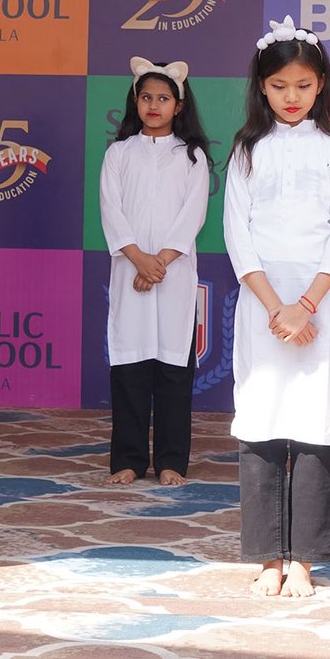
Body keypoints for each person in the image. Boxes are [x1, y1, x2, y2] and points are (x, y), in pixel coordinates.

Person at [223, 15, 330, 599]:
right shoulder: (247, 150)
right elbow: (237, 235)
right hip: (262, 306)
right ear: (262, 87)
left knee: (315, 426)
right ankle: (267, 558)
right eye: (279, 86)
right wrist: (277, 307)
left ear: (321, 84)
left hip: (319, 305)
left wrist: (306, 305)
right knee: (262, 422)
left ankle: (305, 559)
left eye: (303, 85)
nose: (292, 96)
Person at [99, 57, 211, 487]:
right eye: (146, 97)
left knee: (172, 370)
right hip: (130, 273)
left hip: (173, 276)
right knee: (129, 367)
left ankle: (171, 461)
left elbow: (192, 215)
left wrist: (158, 262)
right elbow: (111, 210)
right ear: (135, 101)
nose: (153, 105)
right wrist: (138, 258)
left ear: (178, 106)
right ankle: (127, 459)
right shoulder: (119, 153)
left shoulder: (192, 157)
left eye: (163, 98)